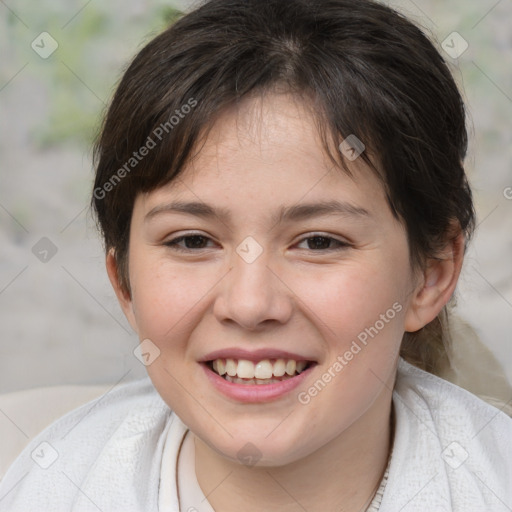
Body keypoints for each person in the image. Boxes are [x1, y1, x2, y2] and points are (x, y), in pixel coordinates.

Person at [1, 0, 511, 510]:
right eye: (192, 241)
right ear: (124, 282)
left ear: (431, 276)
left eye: (318, 242)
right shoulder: (49, 488)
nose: (249, 305)